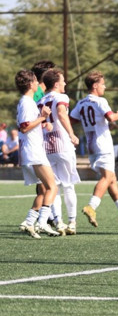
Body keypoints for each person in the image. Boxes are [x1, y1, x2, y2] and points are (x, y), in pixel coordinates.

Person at [70, 71, 118, 227]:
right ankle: (91, 206)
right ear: (95, 86)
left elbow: (70, 120)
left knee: (111, 178)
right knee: (107, 177)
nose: (105, 87)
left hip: (91, 146)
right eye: (102, 84)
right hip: (103, 145)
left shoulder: (81, 103)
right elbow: (110, 117)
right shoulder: (101, 101)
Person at [15, 70, 60, 238]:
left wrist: (42, 124)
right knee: (52, 186)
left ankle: (29, 222)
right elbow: (24, 127)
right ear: (30, 84)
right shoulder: (27, 102)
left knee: (43, 189)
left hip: (33, 149)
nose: (37, 84)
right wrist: (43, 117)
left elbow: (28, 125)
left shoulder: (27, 102)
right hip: (33, 150)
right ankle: (42, 223)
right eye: (35, 81)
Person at [40, 68, 81, 235]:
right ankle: (72, 222)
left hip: (47, 147)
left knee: (54, 186)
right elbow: (62, 114)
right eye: (63, 81)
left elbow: (41, 122)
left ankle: (58, 222)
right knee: (68, 185)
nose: (65, 83)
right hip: (63, 145)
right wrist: (71, 133)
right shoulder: (61, 97)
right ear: (56, 84)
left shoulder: (41, 100)